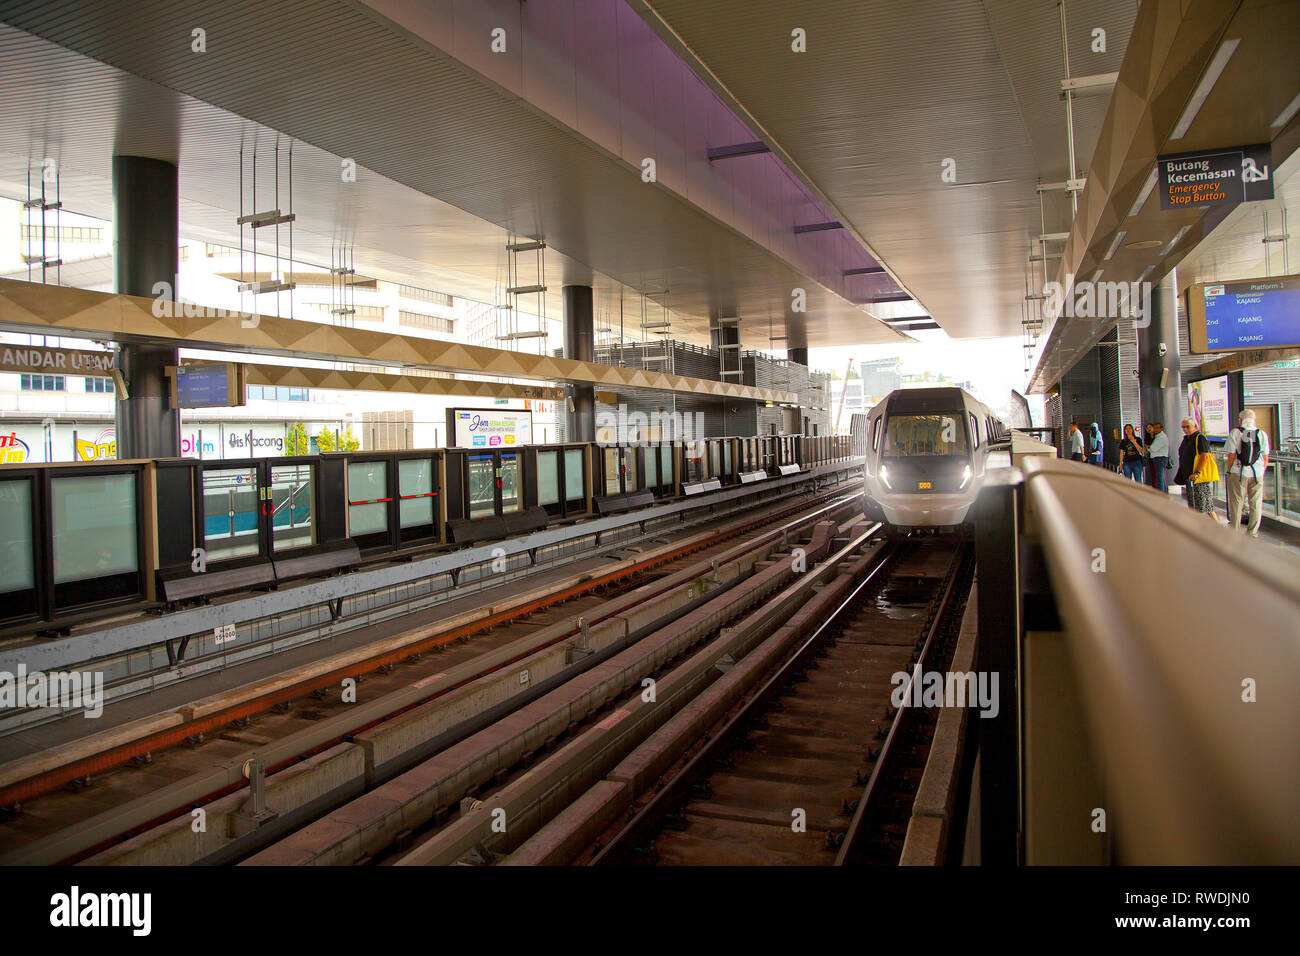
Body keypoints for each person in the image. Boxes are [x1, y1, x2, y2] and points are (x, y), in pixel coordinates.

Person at [1224, 409, 1270, 538]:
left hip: (1238, 473)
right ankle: (1252, 532)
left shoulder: (1236, 432)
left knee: (1236, 503)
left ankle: (1235, 531)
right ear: (1254, 420)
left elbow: (1231, 455)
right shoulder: (1262, 434)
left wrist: (1229, 470)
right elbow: (1265, 458)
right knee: (1255, 504)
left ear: (1240, 420)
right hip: (1257, 474)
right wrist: (1261, 471)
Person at [1175, 417, 1217, 520]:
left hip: (1198, 478)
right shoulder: (1186, 439)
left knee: (1205, 505)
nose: (1185, 429)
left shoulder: (1200, 438)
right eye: (1183, 427)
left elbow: (1205, 456)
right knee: (1194, 505)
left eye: (1187, 427)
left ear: (1194, 426)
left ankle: (1216, 528)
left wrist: (1197, 472)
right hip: (1189, 478)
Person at [1146, 422, 1170, 493]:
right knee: (1162, 478)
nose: (1155, 429)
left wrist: (1149, 448)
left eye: (1157, 428)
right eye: (1155, 428)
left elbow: (1153, 448)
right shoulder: (1158, 436)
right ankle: (1164, 494)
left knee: (1160, 479)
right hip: (1159, 459)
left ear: (1161, 428)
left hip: (1160, 459)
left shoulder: (1161, 437)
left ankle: (1161, 495)